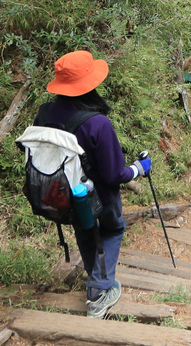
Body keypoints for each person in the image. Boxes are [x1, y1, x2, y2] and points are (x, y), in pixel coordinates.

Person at [35, 51, 149, 318]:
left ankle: (97, 277)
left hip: (61, 193)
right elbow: (113, 175)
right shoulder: (98, 124)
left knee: (85, 230)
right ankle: (98, 292)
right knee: (113, 229)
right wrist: (138, 169)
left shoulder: (45, 113)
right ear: (90, 84)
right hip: (100, 196)